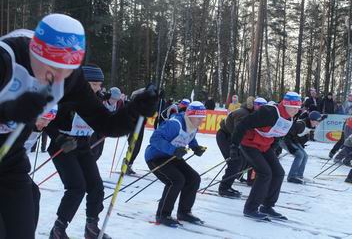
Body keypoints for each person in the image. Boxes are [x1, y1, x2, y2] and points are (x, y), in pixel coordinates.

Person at [0, 14, 158, 239]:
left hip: (11, 161)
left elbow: (106, 124)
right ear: (34, 53)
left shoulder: (69, 78)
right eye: (52, 68)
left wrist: (135, 110)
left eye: (68, 69)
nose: (59, 77)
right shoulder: (7, 59)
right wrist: (8, 111)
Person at [230, 92, 302, 220]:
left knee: (279, 172)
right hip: (249, 143)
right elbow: (243, 124)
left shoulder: (289, 117)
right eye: (293, 107)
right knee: (265, 173)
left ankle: (267, 206)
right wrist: (234, 146)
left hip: (265, 145)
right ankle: (250, 208)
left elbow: (279, 134)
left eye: (297, 108)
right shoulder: (270, 112)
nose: (295, 111)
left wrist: (275, 147)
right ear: (285, 105)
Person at [144, 101, 207, 227]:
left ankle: (184, 212)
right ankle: (163, 214)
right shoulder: (175, 124)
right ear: (191, 116)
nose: (202, 121)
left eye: (203, 118)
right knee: (177, 180)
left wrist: (195, 147)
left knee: (193, 178)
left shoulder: (192, 125)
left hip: (172, 157)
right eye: (199, 118)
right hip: (156, 157)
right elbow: (155, 139)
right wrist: (173, 150)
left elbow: (190, 136)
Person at [216, 96, 256, 198]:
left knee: (240, 159)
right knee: (234, 161)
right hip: (225, 136)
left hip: (229, 136)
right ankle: (224, 188)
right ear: (252, 106)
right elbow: (237, 131)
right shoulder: (244, 114)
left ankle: (230, 182)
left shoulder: (248, 112)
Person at [282, 111, 324, 184]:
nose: (318, 124)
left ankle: (299, 175)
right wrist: (290, 147)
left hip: (293, 140)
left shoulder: (310, 125)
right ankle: (292, 176)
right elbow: (287, 135)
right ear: (311, 120)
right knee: (299, 155)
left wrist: (301, 143)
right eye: (317, 122)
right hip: (284, 140)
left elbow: (298, 137)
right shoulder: (301, 124)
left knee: (305, 156)